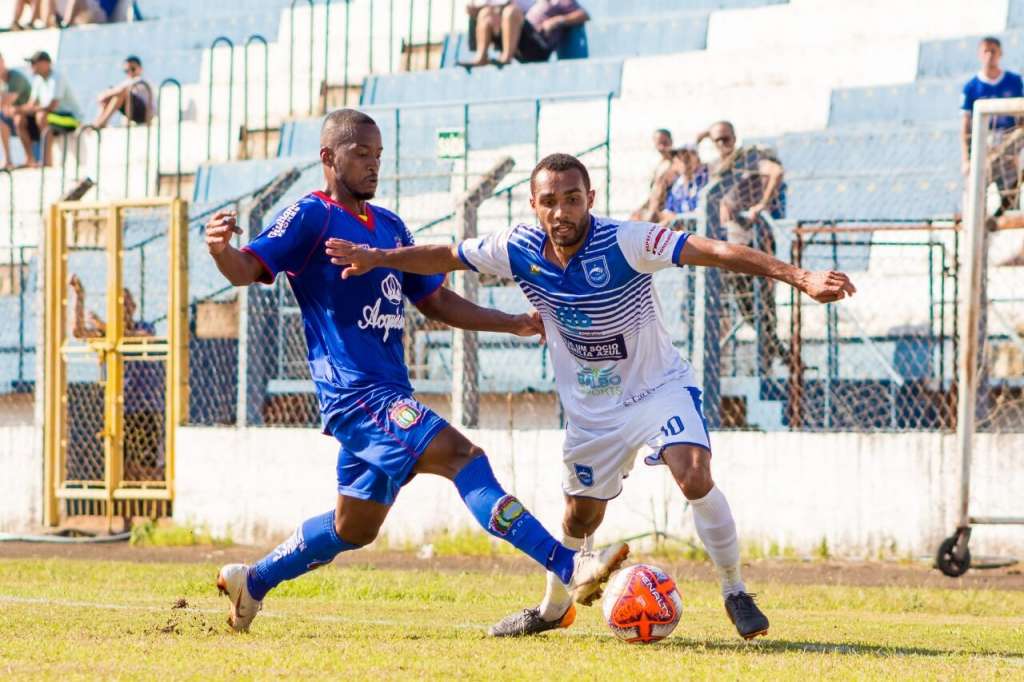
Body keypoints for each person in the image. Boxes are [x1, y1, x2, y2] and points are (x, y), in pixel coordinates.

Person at [324, 152, 856, 640]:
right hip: (591, 414)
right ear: (533, 205)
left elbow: (714, 251)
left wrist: (800, 276)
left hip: (657, 390)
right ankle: (554, 609)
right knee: (579, 521)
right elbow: (445, 255)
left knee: (693, 474)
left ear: (590, 200)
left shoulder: (627, 241)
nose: (562, 211)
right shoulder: (517, 248)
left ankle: (735, 589)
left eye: (572, 199)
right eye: (550, 201)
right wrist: (379, 258)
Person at [206, 110, 628, 632]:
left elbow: (436, 302)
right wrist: (223, 250)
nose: (373, 164)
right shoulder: (312, 217)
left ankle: (255, 581)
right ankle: (571, 565)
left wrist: (513, 322)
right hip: (358, 397)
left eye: (379, 155)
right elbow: (249, 268)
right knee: (463, 457)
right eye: (361, 154)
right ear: (328, 157)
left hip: (387, 392)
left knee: (353, 527)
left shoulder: (388, 226)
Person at [698, 120, 788, 365]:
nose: (723, 144)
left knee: (763, 303)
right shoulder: (716, 166)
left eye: (726, 138)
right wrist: (702, 135)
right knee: (746, 305)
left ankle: (771, 356)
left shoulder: (746, 159)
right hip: (730, 243)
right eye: (717, 140)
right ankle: (778, 352)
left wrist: (761, 204)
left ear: (735, 137)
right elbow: (686, 165)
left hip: (755, 239)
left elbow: (775, 172)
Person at [68, 274, 166, 481]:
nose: (124, 308)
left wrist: (105, 327)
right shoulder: (108, 333)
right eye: (120, 304)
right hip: (120, 407)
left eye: (127, 303)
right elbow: (78, 332)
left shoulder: (144, 327)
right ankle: (128, 512)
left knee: (147, 465)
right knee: (124, 465)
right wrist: (79, 297)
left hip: (146, 407)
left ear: (134, 307)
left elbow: (142, 338)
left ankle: (153, 510)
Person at [961, 36, 1024, 214]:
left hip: (1009, 141)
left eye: (993, 51)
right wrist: (966, 159)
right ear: (979, 55)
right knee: (977, 189)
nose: (989, 55)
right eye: (985, 51)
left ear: (1000, 54)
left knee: (1011, 190)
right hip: (985, 145)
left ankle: (1003, 219)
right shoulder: (971, 87)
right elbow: (965, 127)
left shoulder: (1014, 81)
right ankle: (979, 227)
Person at [14, 51, 81, 167]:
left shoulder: (57, 77)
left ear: (46, 63)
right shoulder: (38, 80)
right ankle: (30, 159)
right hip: (53, 117)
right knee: (19, 119)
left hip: (71, 119)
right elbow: (31, 104)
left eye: (34, 62)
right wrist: (17, 110)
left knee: (41, 116)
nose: (31, 66)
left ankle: (47, 161)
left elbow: (51, 106)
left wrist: (25, 109)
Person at [461, 1, 534, 68]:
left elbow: (514, 5)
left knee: (510, 12)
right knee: (485, 13)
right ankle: (481, 58)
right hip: (516, 38)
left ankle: (506, 58)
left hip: (533, 39)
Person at [517, 0, 589, 64]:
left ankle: (507, 56)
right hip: (525, 42)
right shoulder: (535, 3)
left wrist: (557, 20)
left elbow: (584, 15)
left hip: (538, 45)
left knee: (511, 12)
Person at [93, 55, 153, 129]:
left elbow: (122, 90)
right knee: (112, 93)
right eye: (126, 71)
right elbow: (115, 90)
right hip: (133, 112)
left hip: (145, 115)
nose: (130, 72)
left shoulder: (142, 80)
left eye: (133, 69)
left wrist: (104, 95)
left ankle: (101, 123)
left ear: (140, 69)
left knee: (120, 93)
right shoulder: (128, 81)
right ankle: (97, 122)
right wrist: (106, 96)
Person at [657, 146, 709, 226]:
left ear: (696, 158)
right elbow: (668, 211)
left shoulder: (705, 179)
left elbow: (702, 212)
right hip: (681, 229)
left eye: (686, 157)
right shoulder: (678, 184)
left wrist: (677, 218)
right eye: (677, 157)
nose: (681, 161)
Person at [630, 129, 674, 221]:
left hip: (666, 210)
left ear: (671, 141)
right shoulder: (659, 166)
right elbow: (653, 193)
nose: (662, 147)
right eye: (659, 143)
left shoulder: (676, 164)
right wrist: (642, 208)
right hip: (652, 209)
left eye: (665, 143)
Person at [0, 53, 33, 169]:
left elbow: (6, 101)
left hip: (30, 115)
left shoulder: (15, 77)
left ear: (3, 61)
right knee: (2, 119)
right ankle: (8, 160)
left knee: (15, 120)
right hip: (15, 115)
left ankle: (30, 159)